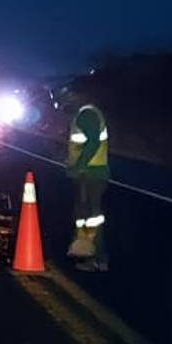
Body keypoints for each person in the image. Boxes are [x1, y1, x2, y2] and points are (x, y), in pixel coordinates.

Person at [66, 104, 110, 272]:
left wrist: (79, 166)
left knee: (91, 217)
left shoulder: (86, 115)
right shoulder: (86, 114)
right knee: (86, 215)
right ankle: (88, 254)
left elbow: (93, 142)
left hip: (90, 175)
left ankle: (96, 257)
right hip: (90, 174)